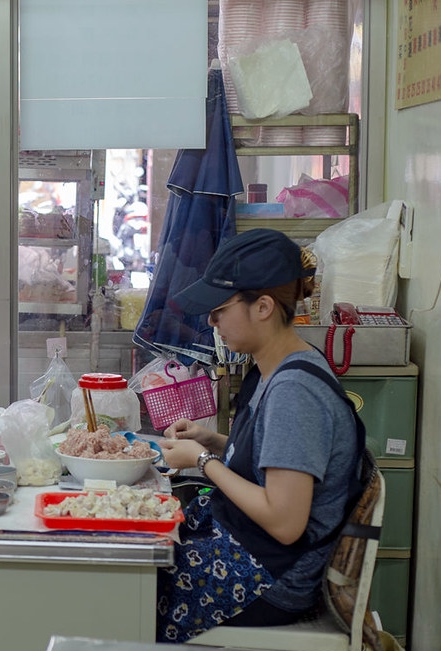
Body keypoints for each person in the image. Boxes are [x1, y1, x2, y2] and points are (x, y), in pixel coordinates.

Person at [155, 228, 363, 643]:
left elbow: (285, 522)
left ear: (263, 306)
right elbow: (272, 457)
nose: (212, 322)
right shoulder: (277, 365)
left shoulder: (295, 392)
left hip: (268, 576)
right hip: (244, 544)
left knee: (128, 595)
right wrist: (210, 440)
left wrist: (202, 461)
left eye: (219, 310)